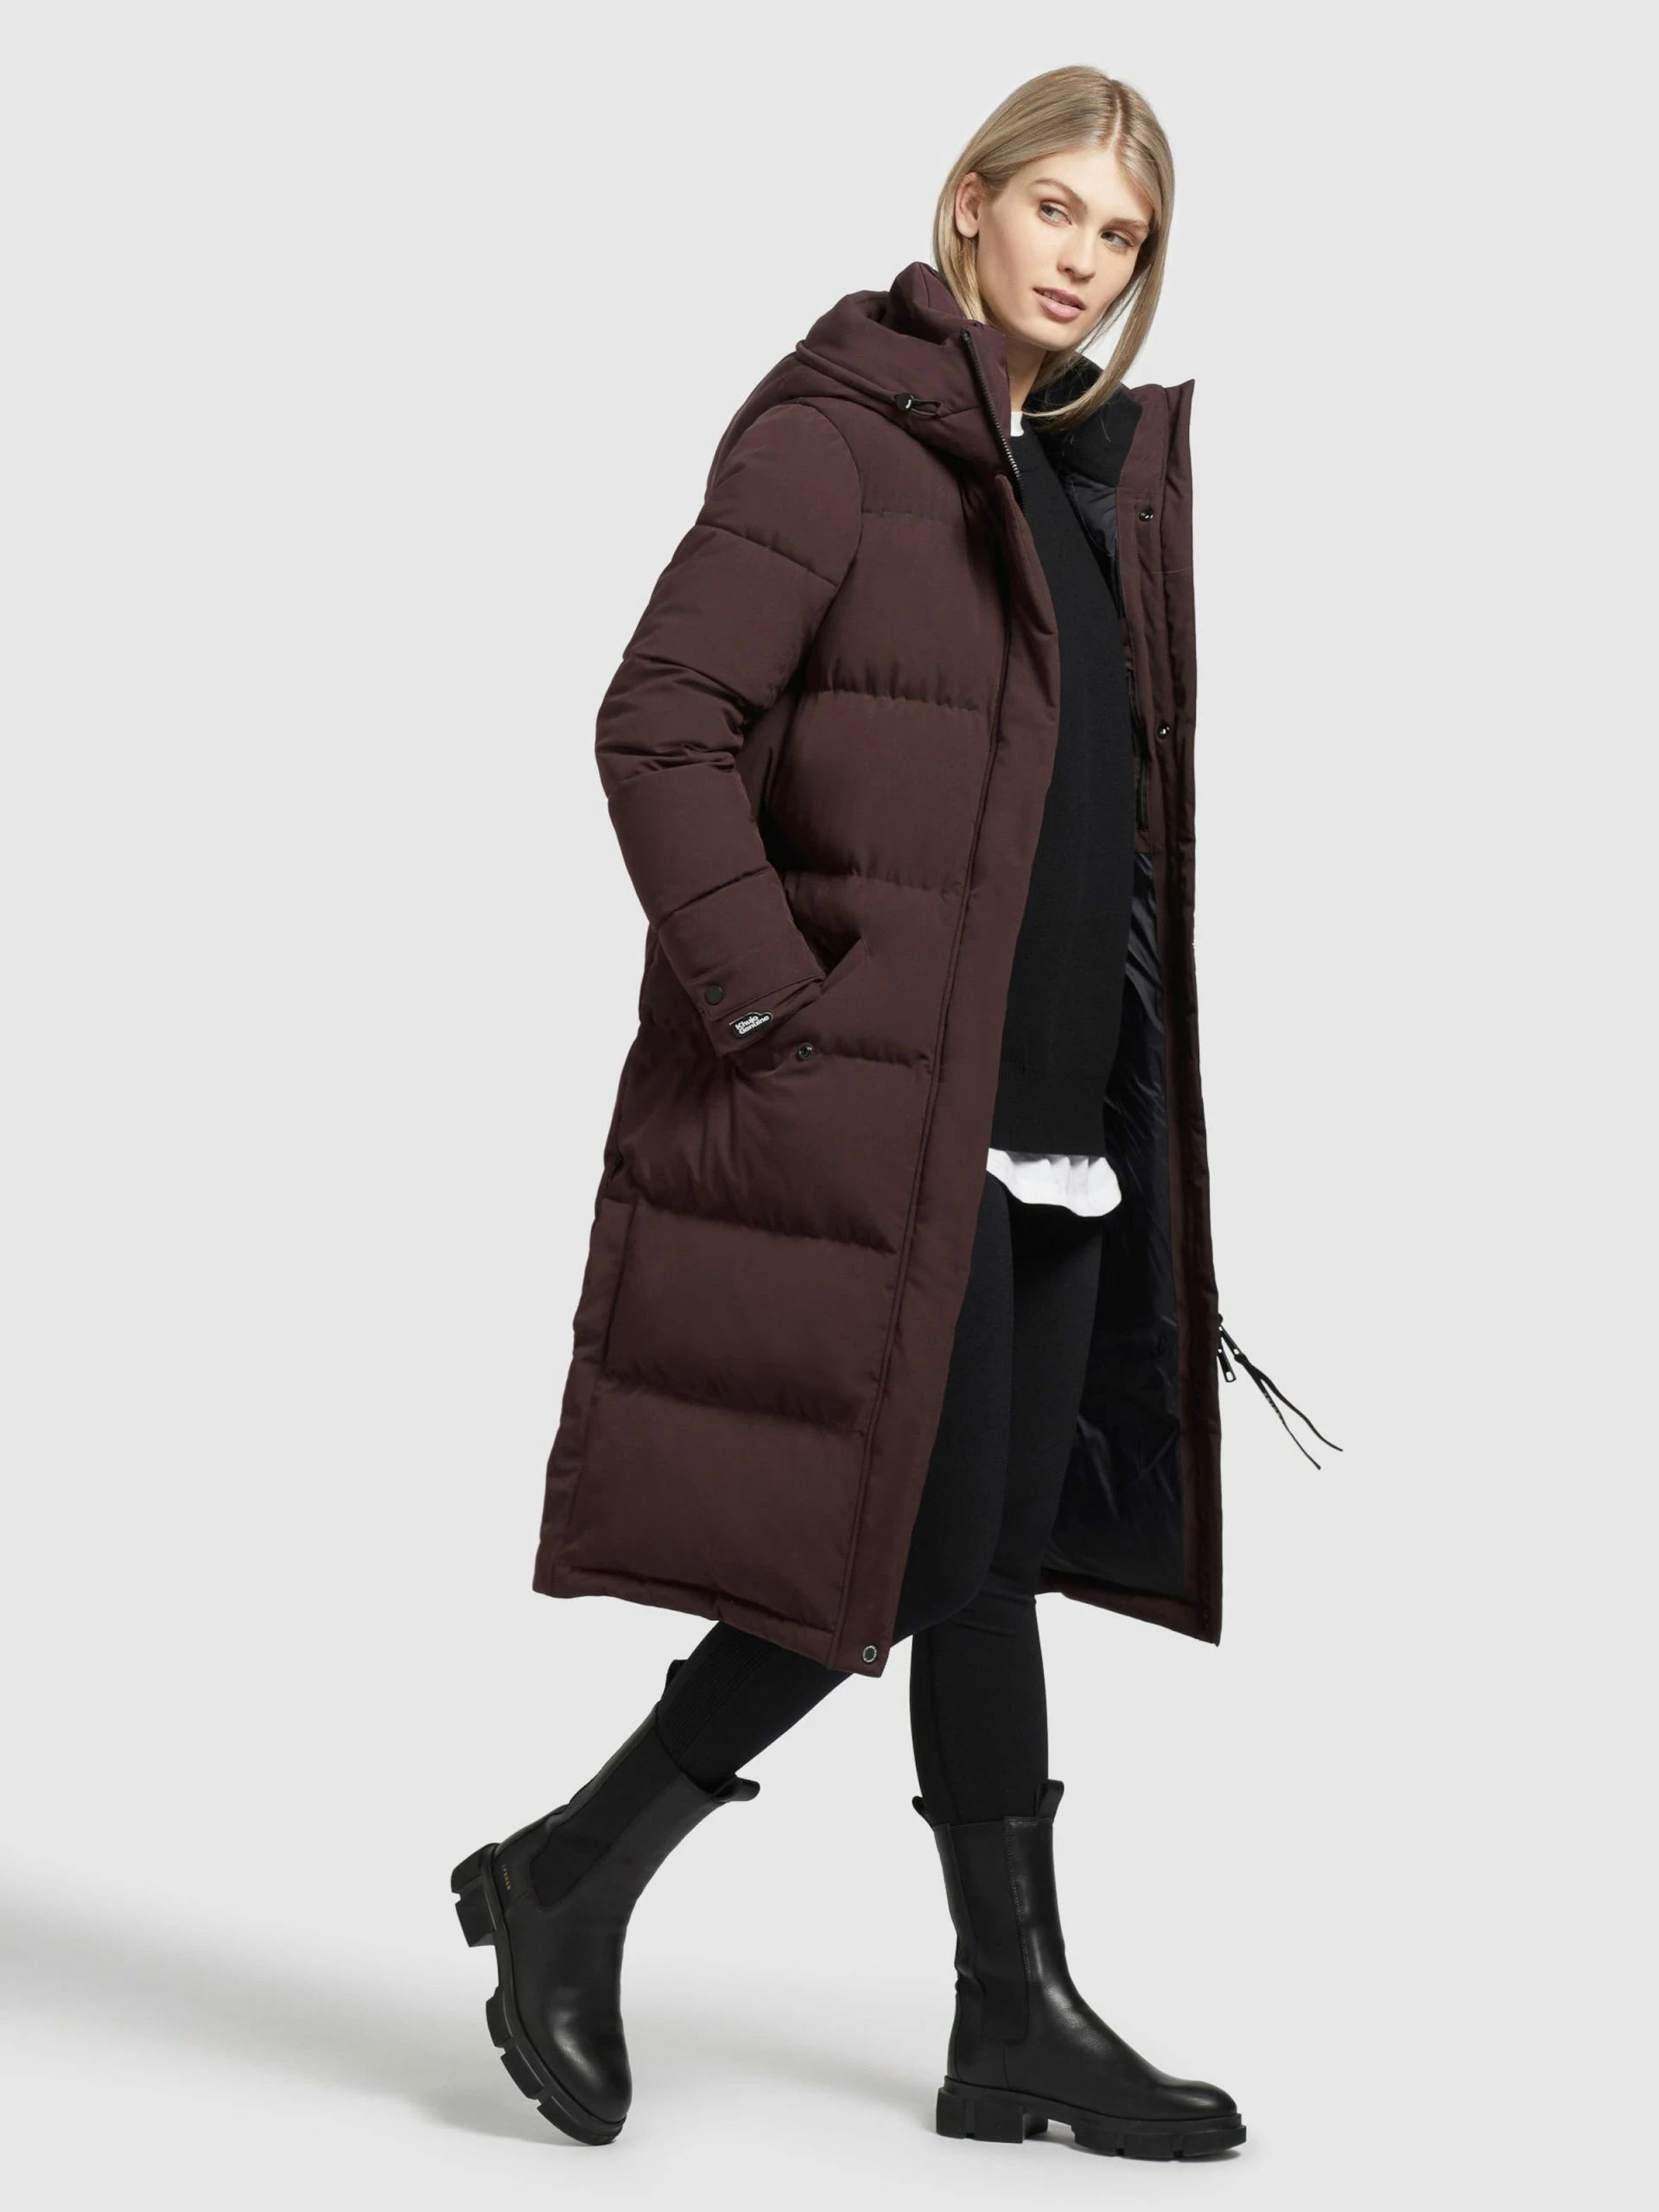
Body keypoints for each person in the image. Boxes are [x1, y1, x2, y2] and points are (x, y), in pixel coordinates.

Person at [450, 62, 1288, 2161]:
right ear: (972, 202)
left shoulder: (1070, 478)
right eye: (1059, 210)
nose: (1085, 261)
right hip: (885, 1114)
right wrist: (774, 1008)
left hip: (1054, 1120)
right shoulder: (839, 437)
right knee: (906, 1542)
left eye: (1123, 236)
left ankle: (1014, 2012)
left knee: (984, 1556)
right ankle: (572, 1868)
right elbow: (659, 720)